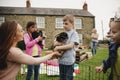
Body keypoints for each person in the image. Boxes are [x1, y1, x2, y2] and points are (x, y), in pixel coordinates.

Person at [54, 14, 79, 80]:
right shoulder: (63, 33)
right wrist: (58, 43)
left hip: (69, 62)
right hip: (61, 61)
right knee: (62, 78)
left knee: (68, 78)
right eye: (63, 24)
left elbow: (70, 46)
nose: (64, 25)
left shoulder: (74, 33)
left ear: (72, 23)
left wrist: (58, 48)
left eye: (66, 24)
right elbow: (55, 43)